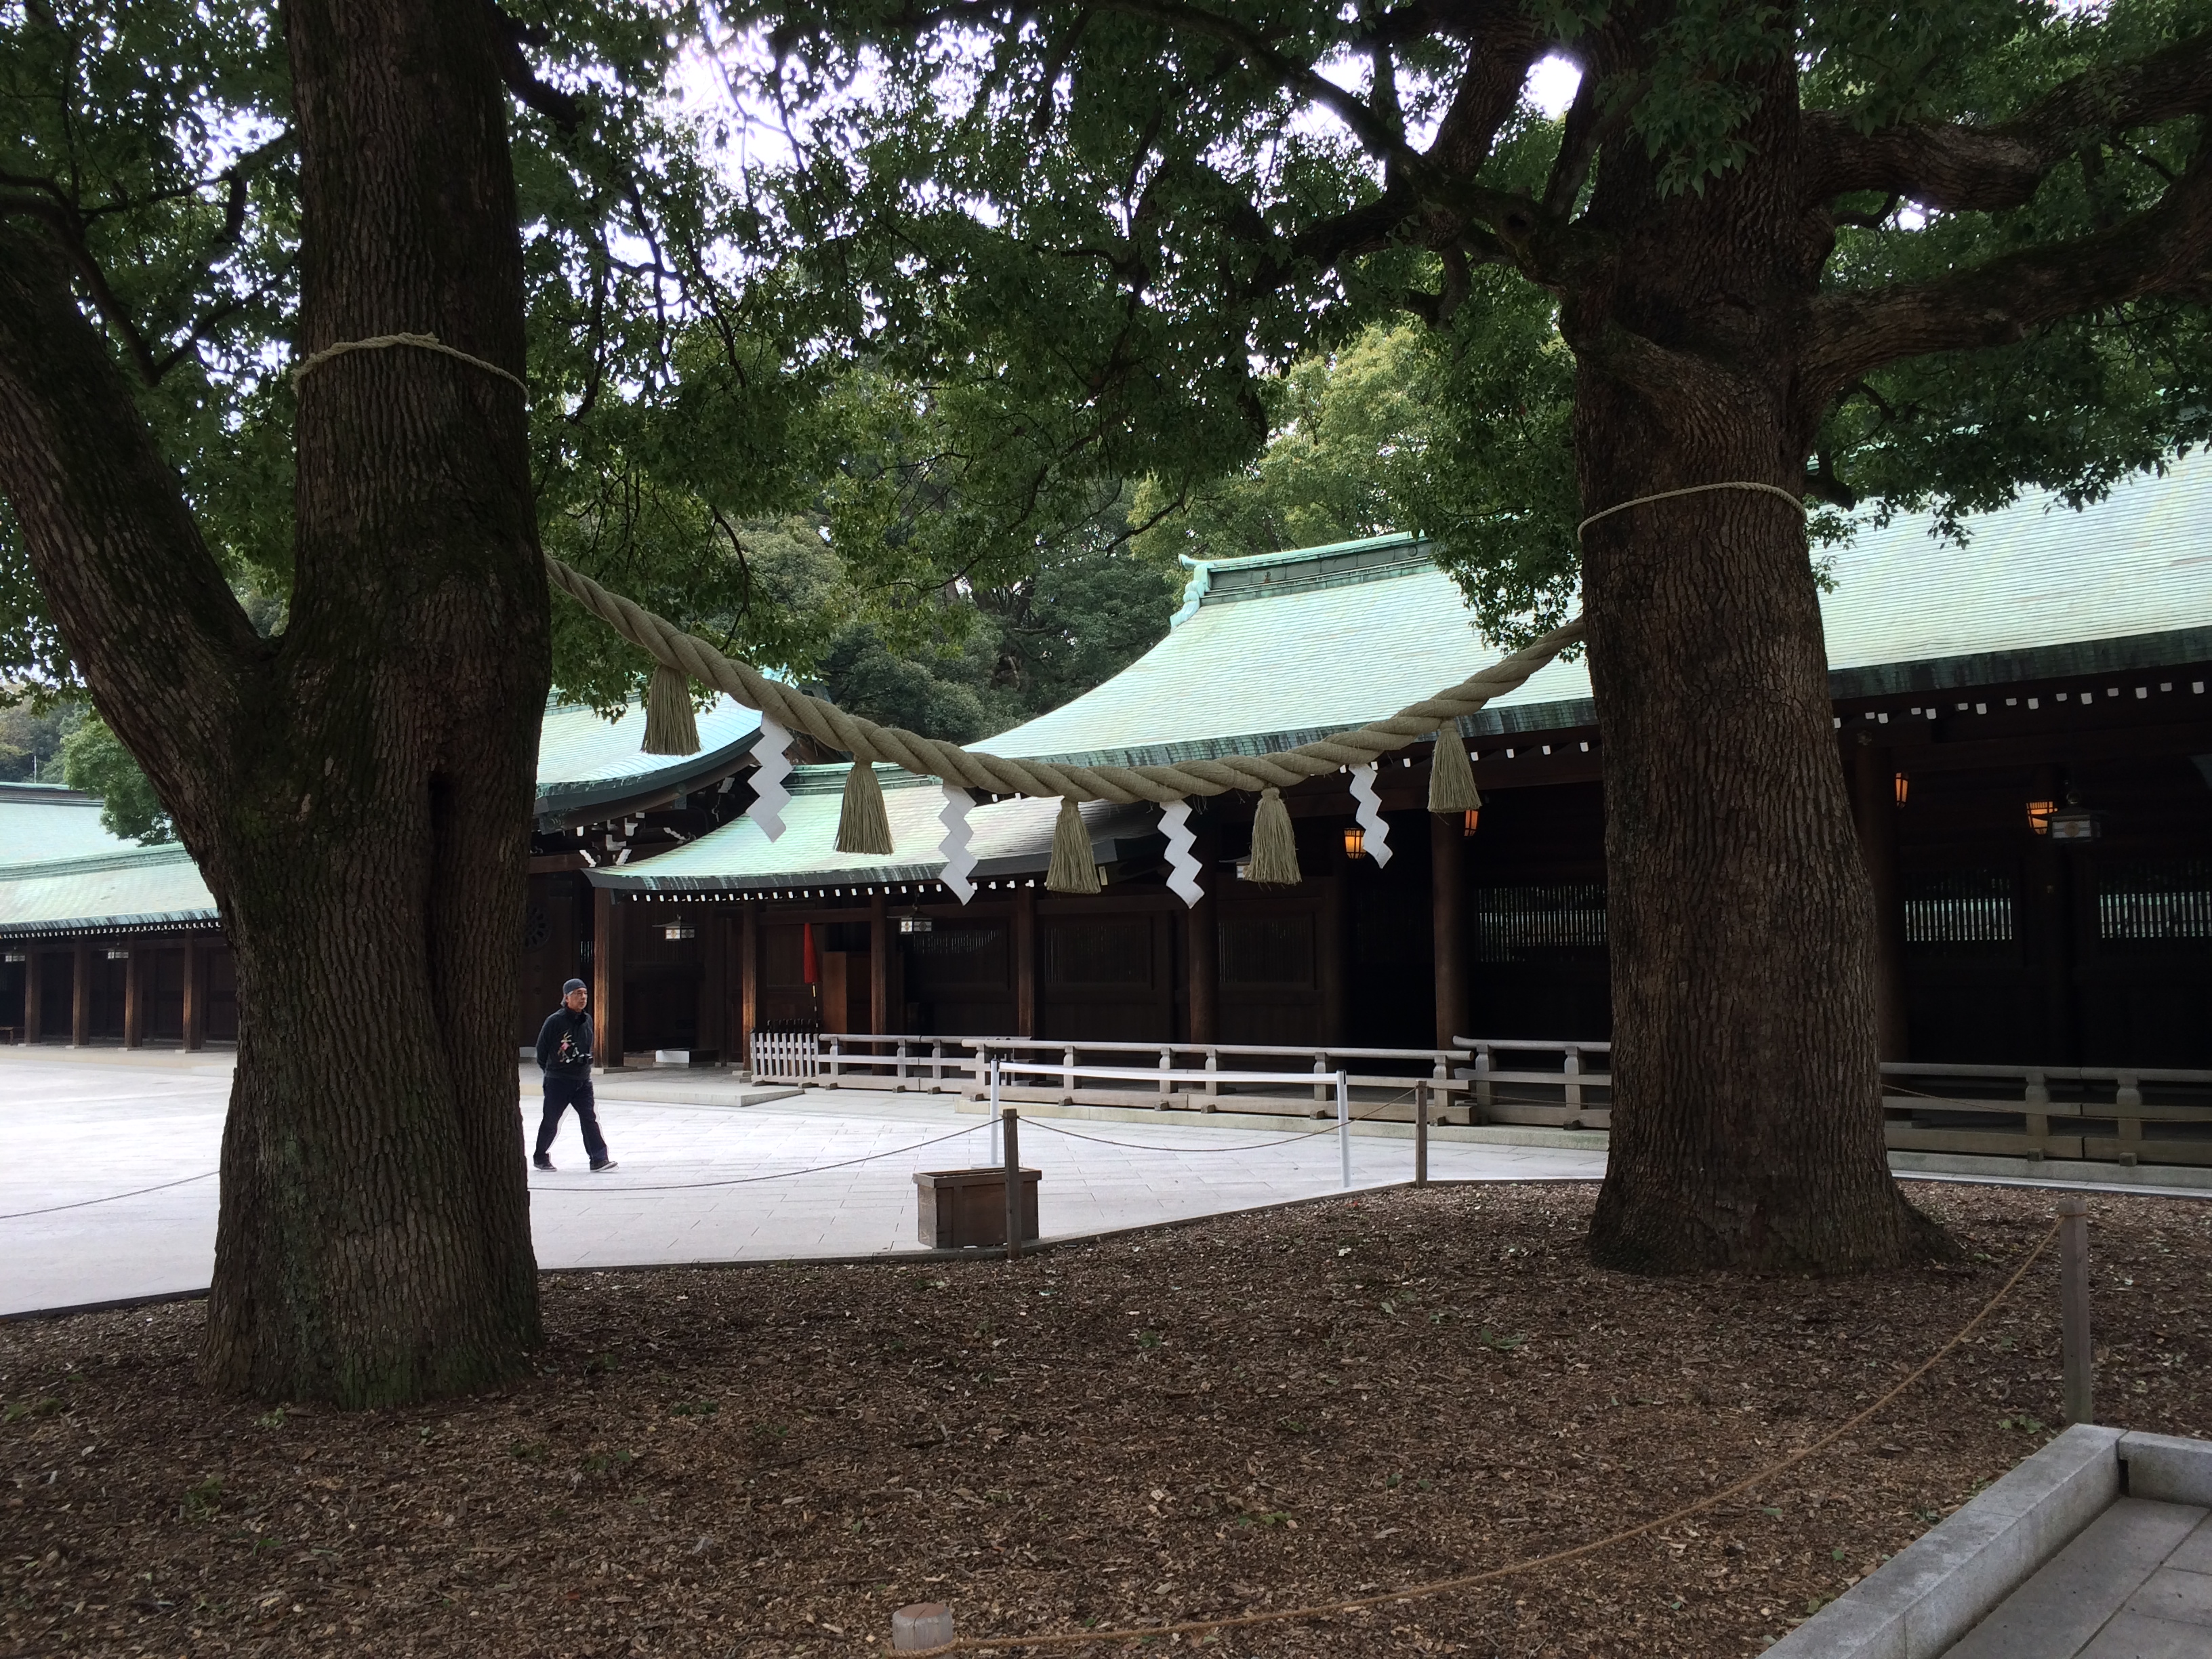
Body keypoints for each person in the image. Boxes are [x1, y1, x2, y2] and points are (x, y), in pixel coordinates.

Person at [534, 979, 617, 1172]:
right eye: (578, 993)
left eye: (585, 993)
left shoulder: (587, 1020)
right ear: (567, 997)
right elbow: (542, 1050)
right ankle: (540, 1157)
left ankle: (599, 1159)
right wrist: (552, 1070)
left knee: (589, 1119)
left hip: (582, 1081)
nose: (583, 997)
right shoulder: (555, 1021)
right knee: (551, 1120)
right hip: (558, 1081)